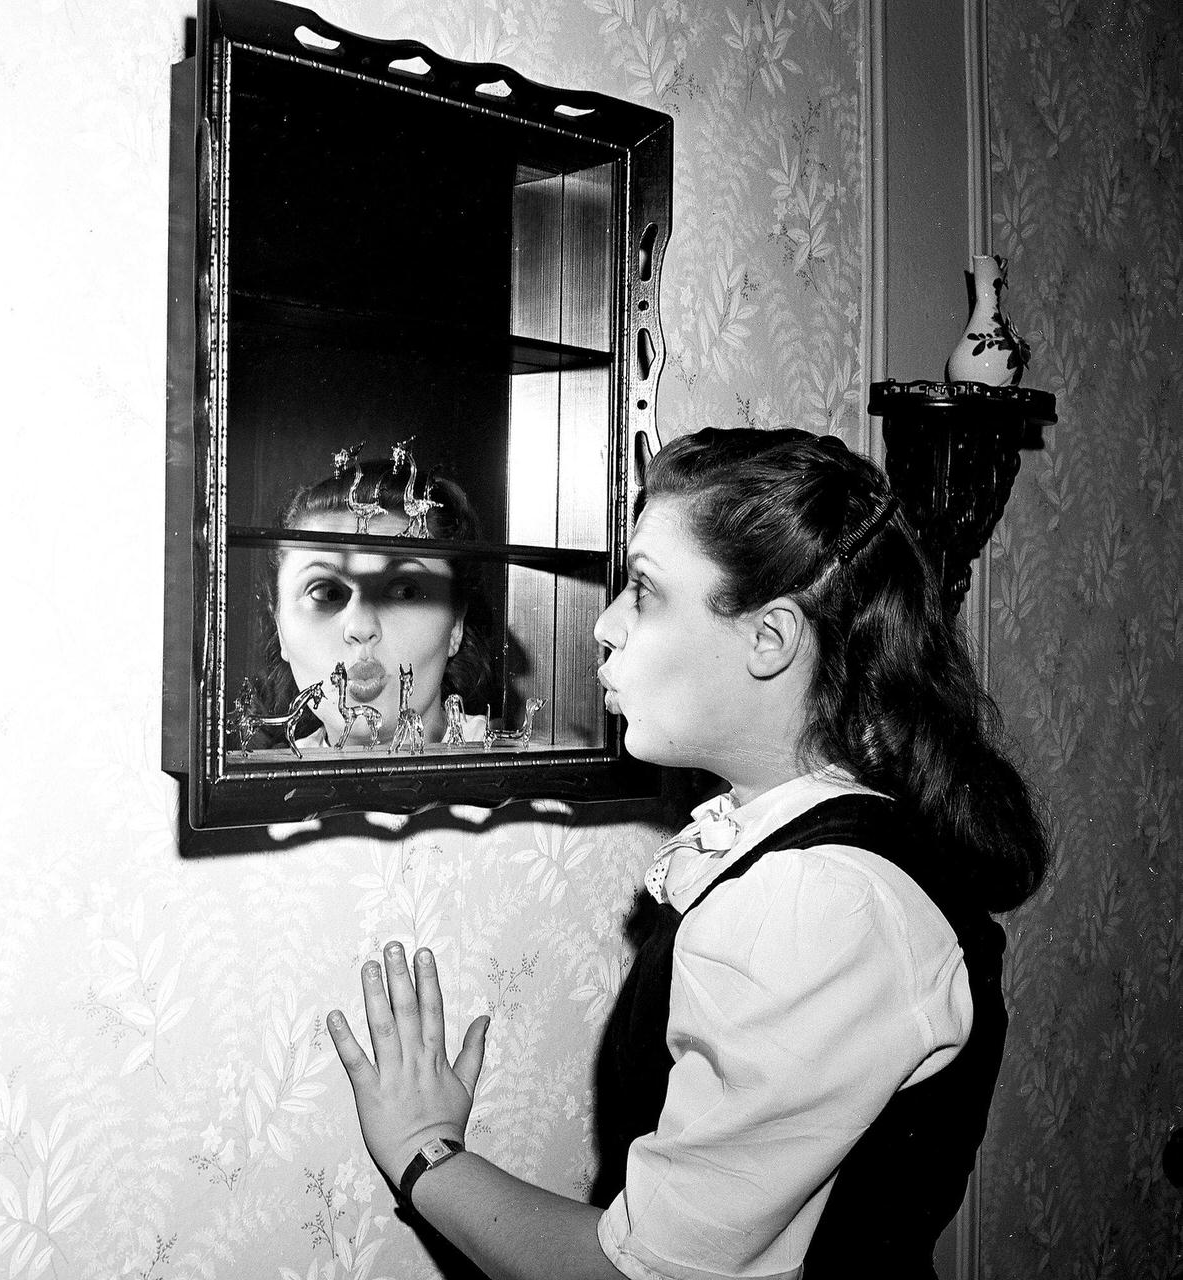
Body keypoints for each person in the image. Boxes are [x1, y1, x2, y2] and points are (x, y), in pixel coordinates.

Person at [326, 427, 1049, 1280]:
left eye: (644, 590)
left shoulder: (815, 904)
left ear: (769, 639)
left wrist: (424, 1153)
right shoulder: (825, 846)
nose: (604, 625)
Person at [248, 457, 493, 749]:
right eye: (327, 593)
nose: (362, 628)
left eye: (404, 591)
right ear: (280, 630)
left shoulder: (526, 781)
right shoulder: (266, 786)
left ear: (456, 624)